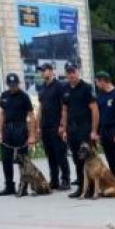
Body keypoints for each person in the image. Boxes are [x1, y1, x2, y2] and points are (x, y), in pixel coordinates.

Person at [60, 63, 99, 198]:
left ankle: (92, 188)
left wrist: (94, 131)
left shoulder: (87, 88)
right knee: (77, 160)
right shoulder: (65, 89)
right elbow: (64, 110)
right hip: (72, 129)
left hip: (85, 128)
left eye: (73, 72)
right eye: (69, 72)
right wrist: (64, 129)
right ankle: (81, 187)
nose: (71, 75)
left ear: (78, 72)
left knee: (88, 159)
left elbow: (94, 109)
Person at [0, 73, 36, 196]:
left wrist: (32, 135)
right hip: (8, 130)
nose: (13, 87)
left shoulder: (24, 97)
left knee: (23, 160)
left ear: (18, 83)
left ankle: (23, 186)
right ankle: (9, 186)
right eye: (10, 85)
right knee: (6, 159)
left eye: (15, 85)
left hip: (21, 129)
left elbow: (31, 115)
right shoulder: (4, 96)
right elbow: (2, 114)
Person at [36, 62, 69, 190]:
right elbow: (40, 107)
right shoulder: (42, 87)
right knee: (50, 155)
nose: (42, 73)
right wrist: (38, 126)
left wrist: (62, 124)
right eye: (41, 71)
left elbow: (64, 106)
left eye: (44, 70)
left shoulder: (60, 86)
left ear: (51, 71)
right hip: (45, 126)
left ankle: (65, 180)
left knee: (60, 154)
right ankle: (54, 180)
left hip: (56, 125)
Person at [95, 71, 115, 183]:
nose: (97, 84)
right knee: (111, 159)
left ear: (103, 81)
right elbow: (98, 115)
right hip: (104, 130)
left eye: (97, 82)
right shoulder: (100, 96)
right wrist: (97, 132)